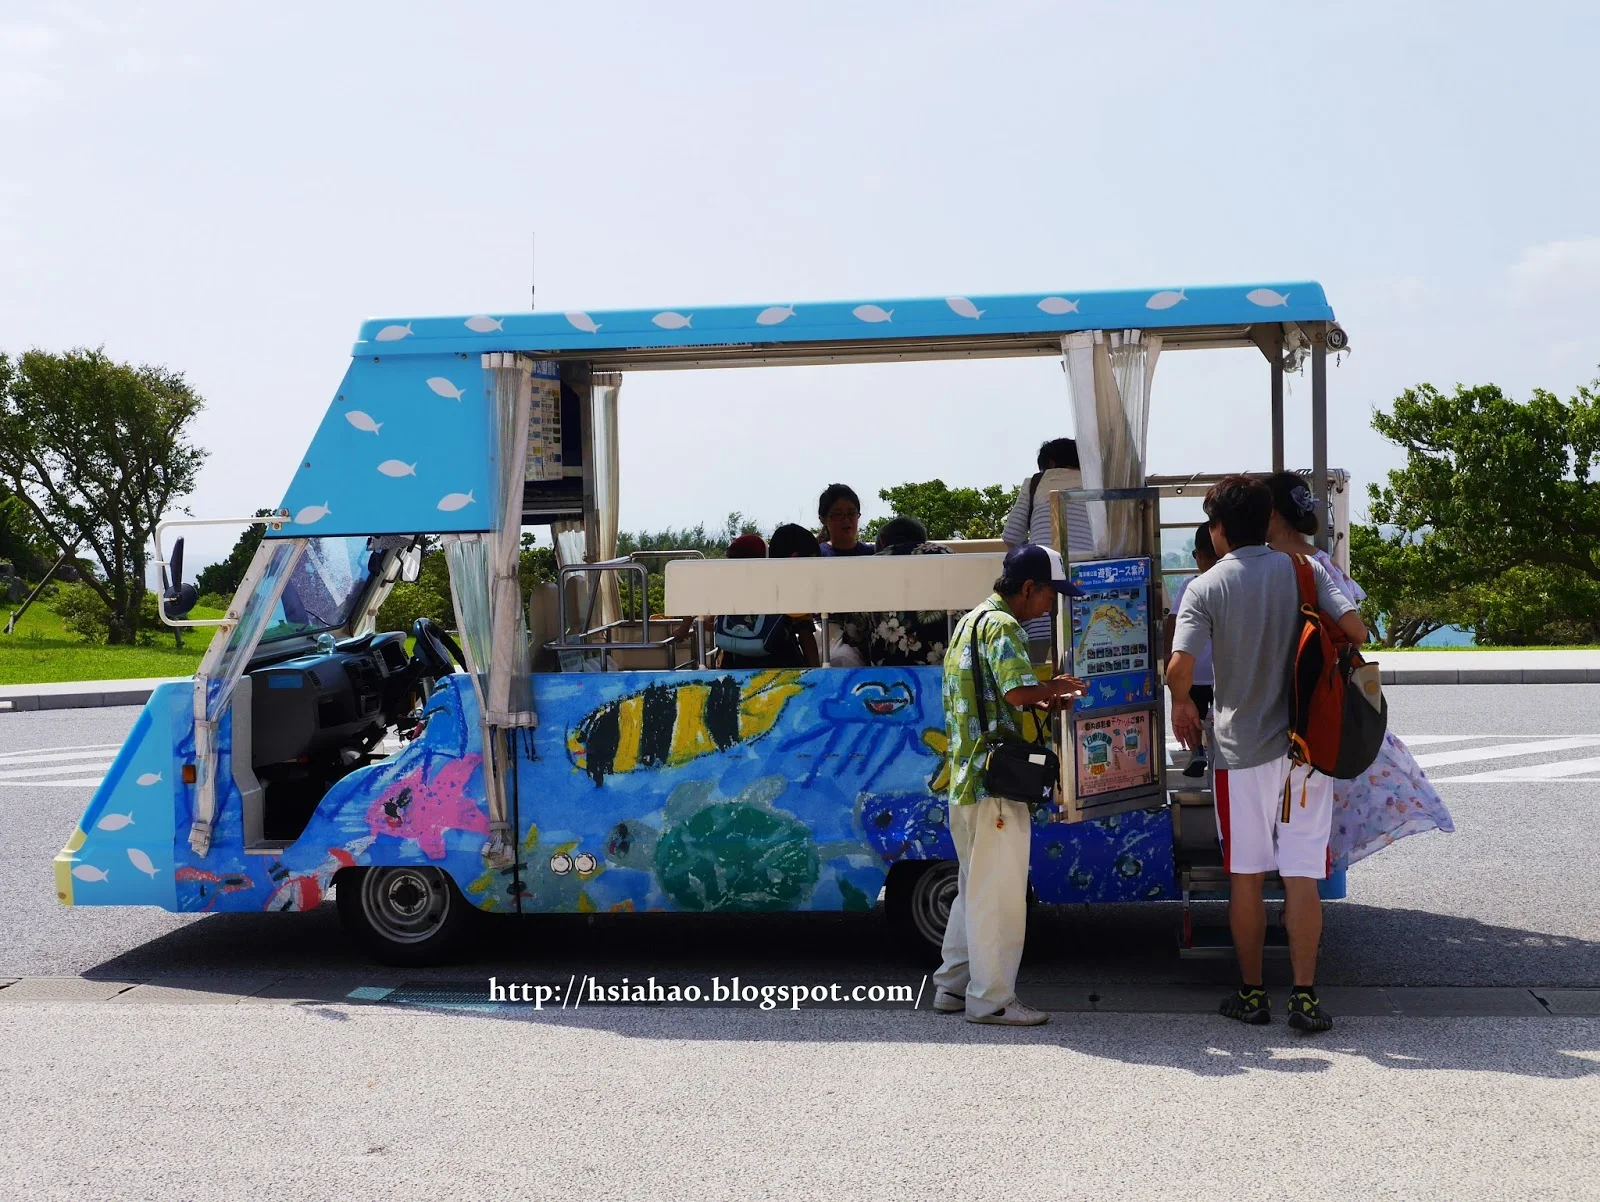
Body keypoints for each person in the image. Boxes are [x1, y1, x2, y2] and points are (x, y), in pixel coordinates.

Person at [1168, 475, 1366, 1033]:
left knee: (1246, 876)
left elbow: (1181, 667)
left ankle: (1251, 994)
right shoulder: (1304, 570)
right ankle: (1304, 997)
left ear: (1222, 528)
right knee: (1302, 876)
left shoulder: (1206, 587)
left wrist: (1183, 704)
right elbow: (1356, 629)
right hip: (1306, 750)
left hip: (1240, 752)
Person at [1262, 472, 1454, 870]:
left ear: (1274, 513)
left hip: (1299, 695)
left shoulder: (1286, 565)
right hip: (1312, 693)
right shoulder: (1316, 561)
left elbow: (1354, 631)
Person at [932, 545, 1088, 1026]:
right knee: (998, 893)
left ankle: (953, 988)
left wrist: (1039, 700)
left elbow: (992, 693)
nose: (1049, 607)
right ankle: (992, 999)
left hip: (965, 778)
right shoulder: (1003, 627)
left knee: (972, 887)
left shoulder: (969, 621)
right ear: (1028, 588)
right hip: (996, 782)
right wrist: (1056, 690)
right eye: (1049, 596)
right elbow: (1017, 691)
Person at [1002, 438, 1093, 663]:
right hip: (1090, 587)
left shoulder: (1037, 482)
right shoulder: (1096, 483)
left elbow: (1011, 535)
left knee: (1038, 669)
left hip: (1043, 589)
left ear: (1050, 462)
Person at [837, 516, 956, 667]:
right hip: (951, 663)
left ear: (882, 541)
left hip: (889, 668)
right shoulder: (945, 553)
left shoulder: (869, 565)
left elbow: (854, 633)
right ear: (922, 539)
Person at [1161, 521, 1218, 777]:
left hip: (1191, 669)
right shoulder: (1233, 584)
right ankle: (1214, 752)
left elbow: (1173, 624)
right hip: (1222, 672)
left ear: (1201, 554)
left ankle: (1197, 751)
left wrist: (1168, 661)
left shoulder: (1192, 585)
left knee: (1190, 712)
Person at [712, 533, 819, 669]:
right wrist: (816, 672)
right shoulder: (782, 587)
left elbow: (710, 624)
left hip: (732, 667)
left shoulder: (727, 590)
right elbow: (805, 632)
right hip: (778, 667)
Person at [817, 484, 875, 557]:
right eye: (838, 514)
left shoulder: (873, 555)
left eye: (852, 513)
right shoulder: (815, 556)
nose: (846, 520)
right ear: (823, 519)